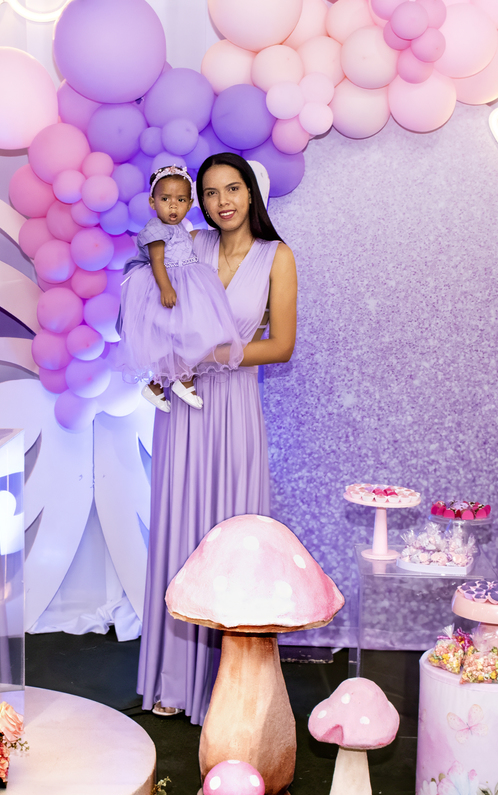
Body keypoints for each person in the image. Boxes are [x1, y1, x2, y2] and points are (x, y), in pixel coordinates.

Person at [136, 153, 297, 724]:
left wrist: (212, 354)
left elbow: (281, 346)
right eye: (209, 192)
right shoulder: (189, 244)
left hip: (235, 408)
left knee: (232, 536)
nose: (221, 201)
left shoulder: (277, 256)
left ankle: (229, 687)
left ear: (251, 193)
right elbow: (152, 300)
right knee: (181, 529)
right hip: (183, 409)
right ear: (197, 201)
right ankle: (174, 680)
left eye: (232, 189)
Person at [118, 165, 244, 411]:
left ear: (190, 204)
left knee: (188, 336)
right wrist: (166, 288)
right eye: (165, 199)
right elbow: (157, 261)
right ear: (153, 203)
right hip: (167, 284)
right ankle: (182, 382)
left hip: (187, 283)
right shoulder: (156, 228)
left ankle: (158, 386)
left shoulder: (179, 228)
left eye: (181, 200)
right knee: (177, 336)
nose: (173, 206)